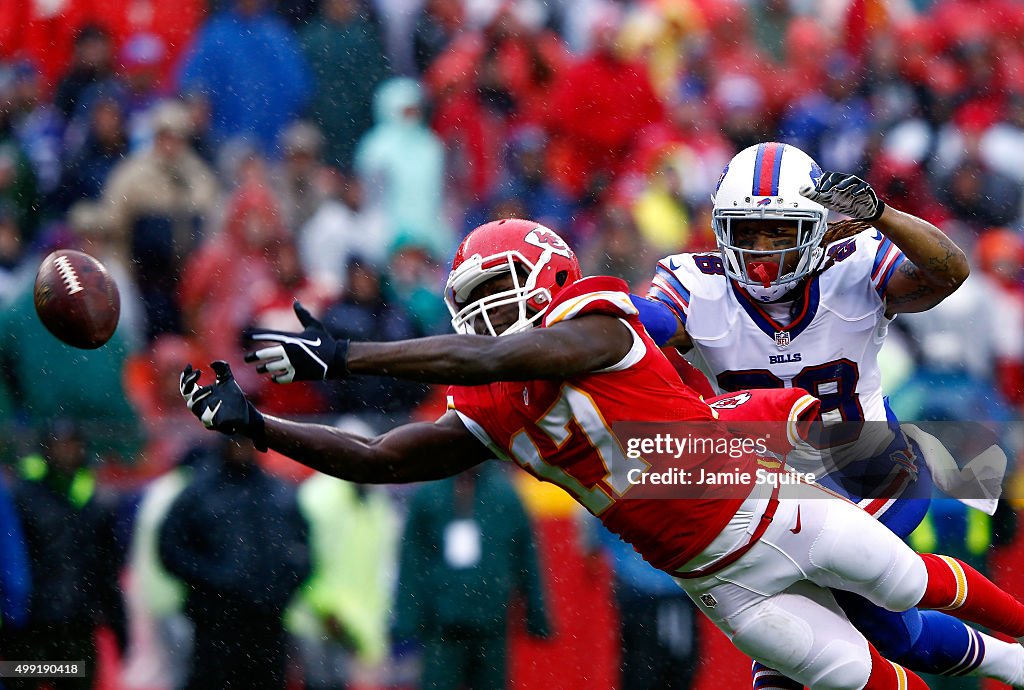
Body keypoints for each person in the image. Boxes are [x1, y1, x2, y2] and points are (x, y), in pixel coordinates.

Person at [182, 219, 1024, 689]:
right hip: (712, 570)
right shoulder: (508, 389)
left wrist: (353, 354)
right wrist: (262, 429)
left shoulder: (591, 318)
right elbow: (390, 456)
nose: (492, 312)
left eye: (502, 288)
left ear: (551, 276)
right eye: (476, 300)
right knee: (852, 680)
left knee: (906, 593)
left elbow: (501, 356)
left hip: (784, 490)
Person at [637, 141, 1024, 686]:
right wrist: (579, 316)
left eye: (780, 231)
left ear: (819, 228)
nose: (762, 252)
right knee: (874, 633)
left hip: (868, 462)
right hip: (773, 482)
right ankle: (1007, 659)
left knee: (818, 602)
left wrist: (882, 214)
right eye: (746, 232)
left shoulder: (856, 260)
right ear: (721, 231)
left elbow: (948, 271)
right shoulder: (694, 283)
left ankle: (1010, 646)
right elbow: (634, 328)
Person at [158, 436, 311, 690]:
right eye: (237, 441)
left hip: (267, 625)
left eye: (248, 441)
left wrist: (279, 592)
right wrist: (216, 582)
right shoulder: (199, 492)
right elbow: (170, 551)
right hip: (216, 628)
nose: (243, 448)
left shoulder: (279, 493)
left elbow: (303, 553)